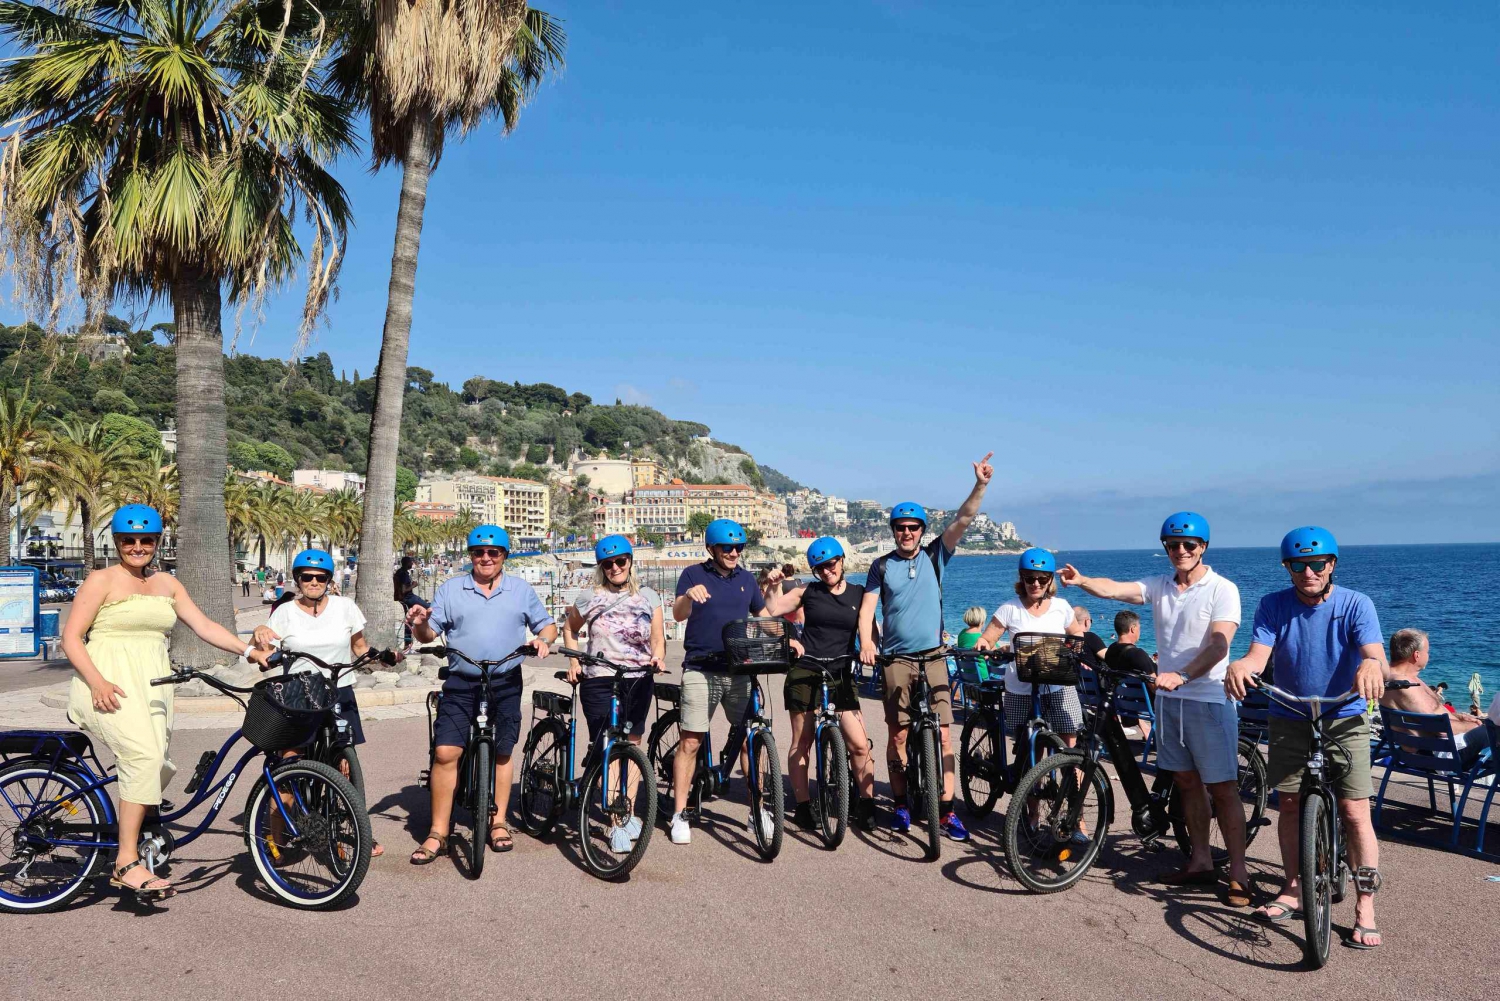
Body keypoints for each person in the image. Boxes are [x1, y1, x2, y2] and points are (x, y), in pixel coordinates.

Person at [62, 505, 272, 899]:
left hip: (154, 687)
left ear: (158, 542)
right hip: (107, 684)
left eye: (146, 540)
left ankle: (140, 834)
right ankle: (126, 862)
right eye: (129, 540)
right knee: (142, 758)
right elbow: (71, 638)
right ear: (117, 542)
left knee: (156, 763)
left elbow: (205, 626)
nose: (138, 547)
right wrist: (97, 681)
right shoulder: (101, 579)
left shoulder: (167, 585)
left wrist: (249, 652)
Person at [1061, 512, 1248, 905]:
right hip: (1168, 701)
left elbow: (1219, 644)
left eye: (1189, 545)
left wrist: (1182, 674)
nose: (1180, 551)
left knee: (1223, 789)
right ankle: (1199, 862)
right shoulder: (1160, 585)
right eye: (1173, 545)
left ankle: (1239, 873)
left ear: (1204, 548)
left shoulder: (1222, 589)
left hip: (1208, 698)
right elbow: (1115, 589)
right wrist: (1082, 581)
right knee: (1186, 783)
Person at [1225, 526, 1387, 947]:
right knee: (1292, 805)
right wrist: (1243, 666)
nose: (1309, 572)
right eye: (1299, 564)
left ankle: (1365, 903)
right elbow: (1259, 655)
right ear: (1288, 568)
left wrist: (1371, 667)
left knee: (1354, 811)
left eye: (1318, 563)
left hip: (1344, 714)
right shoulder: (1272, 605)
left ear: (1332, 565)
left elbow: (1375, 655)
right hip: (1290, 714)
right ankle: (1294, 888)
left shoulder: (1356, 604)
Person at [859, 452, 994, 841]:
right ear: (893, 531)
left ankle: (948, 811)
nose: (907, 533)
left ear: (921, 530)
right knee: (898, 735)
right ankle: (901, 804)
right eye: (900, 528)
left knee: (945, 734)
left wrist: (981, 484)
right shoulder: (881, 566)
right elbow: (868, 609)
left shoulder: (936, 555)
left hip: (934, 656)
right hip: (896, 658)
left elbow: (963, 520)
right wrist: (867, 642)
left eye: (913, 527)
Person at [405, 525, 555, 863]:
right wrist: (418, 623)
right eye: (478, 552)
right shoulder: (451, 589)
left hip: (505, 679)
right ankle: (438, 832)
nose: (485, 558)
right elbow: (430, 633)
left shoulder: (520, 590)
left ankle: (498, 821)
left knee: (502, 752)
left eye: (493, 553)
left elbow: (547, 625)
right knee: (445, 752)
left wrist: (543, 639)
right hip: (462, 680)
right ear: (470, 555)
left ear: (504, 556)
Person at [253, 549, 384, 856]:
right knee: (289, 764)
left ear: (328, 580)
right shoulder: (285, 611)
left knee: (344, 767)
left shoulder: (345, 607)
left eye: (320, 577)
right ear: (297, 579)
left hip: (340, 691)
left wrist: (385, 658)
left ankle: (350, 833)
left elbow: (360, 647)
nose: (313, 582)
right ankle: (277, 836)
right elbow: (261, 651)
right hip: (298, 694)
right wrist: (258, 635)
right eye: (306, 577)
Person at [761, 537, 878, 832]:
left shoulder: (858, 594)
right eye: (820, 568)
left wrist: (869, 648)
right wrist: (774, 590)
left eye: (831, 564)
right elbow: (768, 612)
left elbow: (870, 632)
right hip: (806, 669)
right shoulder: (807, 591)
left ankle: (866, 805)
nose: (827, 571)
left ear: (841, 561)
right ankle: (802, 806)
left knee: (860, 745)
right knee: (802, 742)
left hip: (841, 671)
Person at [669, 519, 769, 845]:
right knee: (691, 741)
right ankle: (680, 814)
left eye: (739, 547)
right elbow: (678, 614)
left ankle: (759, 810)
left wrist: (791, 637)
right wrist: (688, 596)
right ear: (711, 548)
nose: (734, 552)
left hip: (739, 669)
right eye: (727, 547)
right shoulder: (693, 575)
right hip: (702, 667)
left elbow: (762, 616)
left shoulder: (747, 579)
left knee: (749, 740)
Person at [561, 535, 664, 853]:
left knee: (633, 745)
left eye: (621, 561)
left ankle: (627, 810)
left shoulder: (649, 596)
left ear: (631, 562)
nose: (616, 567)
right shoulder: (589, 596)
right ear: (601, 567)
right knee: (608, 747)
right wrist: (574, 660)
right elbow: (569, 629)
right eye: (608, 563)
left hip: (637, 679)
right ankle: (615, 822)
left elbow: (659, 638)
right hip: (600, 680)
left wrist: (658, 657)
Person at [975, 549, 1085, 755]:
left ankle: (1072, 785)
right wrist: (983, 645)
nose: (1035, 584)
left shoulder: (1061, 607)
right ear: (1022, 578)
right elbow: (988, 638)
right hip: (1021, 685)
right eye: (1030, 578)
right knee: (1028, 745)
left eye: (1042, 579)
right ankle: (1031, 784)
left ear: (1050, 580)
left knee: (1069, 740)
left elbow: (1076, 632)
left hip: (1057, 683)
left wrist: (1075, 646)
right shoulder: (1010, 608)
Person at [1381, 629, 1496, 768]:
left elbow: (1422, 716)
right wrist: (1473, 726)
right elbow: (1439, 728)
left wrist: (1458, 717)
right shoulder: (1403, 685)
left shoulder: (1396, 678)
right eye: (1427, 652)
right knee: (1493, 731)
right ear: (1416, 655)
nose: (1428, 655)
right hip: (1440, 755)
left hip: (1428, 750)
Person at [1105, 610, 1159, 741]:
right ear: (1133, 629)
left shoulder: (1110, 650)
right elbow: (1154, 687)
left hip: (1123, 703)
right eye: (1139, 628)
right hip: (1146, 705)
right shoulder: (1138, 654)